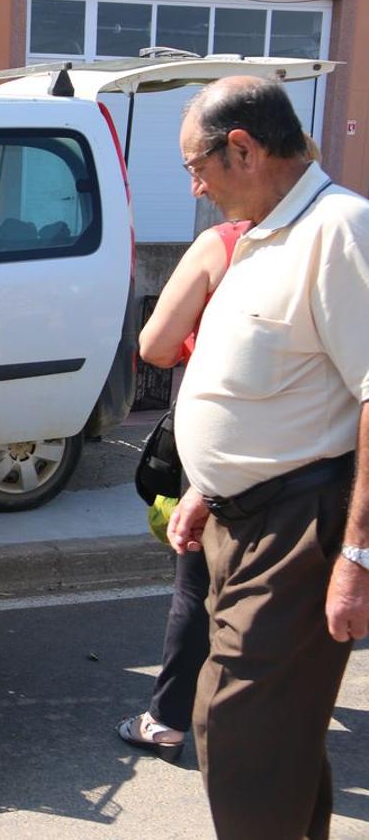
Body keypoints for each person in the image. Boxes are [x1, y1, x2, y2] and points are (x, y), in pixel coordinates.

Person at [167, 77, 369, 839]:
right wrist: (206, 485)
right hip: (241, 521)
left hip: (301, 529)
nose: (194, 184)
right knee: (277, 740)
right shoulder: (261, 232)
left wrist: (357, 555)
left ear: (243, 149)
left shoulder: (339, 228)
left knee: (241, 733)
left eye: (198, 165)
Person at [115, 216, 248, 760]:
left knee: (197, 584)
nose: (195, 187)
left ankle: (168, 720)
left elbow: (156, 346)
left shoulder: (223, 243)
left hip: (224, 437)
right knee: (274, 589)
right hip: (315, 451)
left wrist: (201, 333)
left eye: (198, 169)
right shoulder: (338, 234)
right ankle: (263, 715)